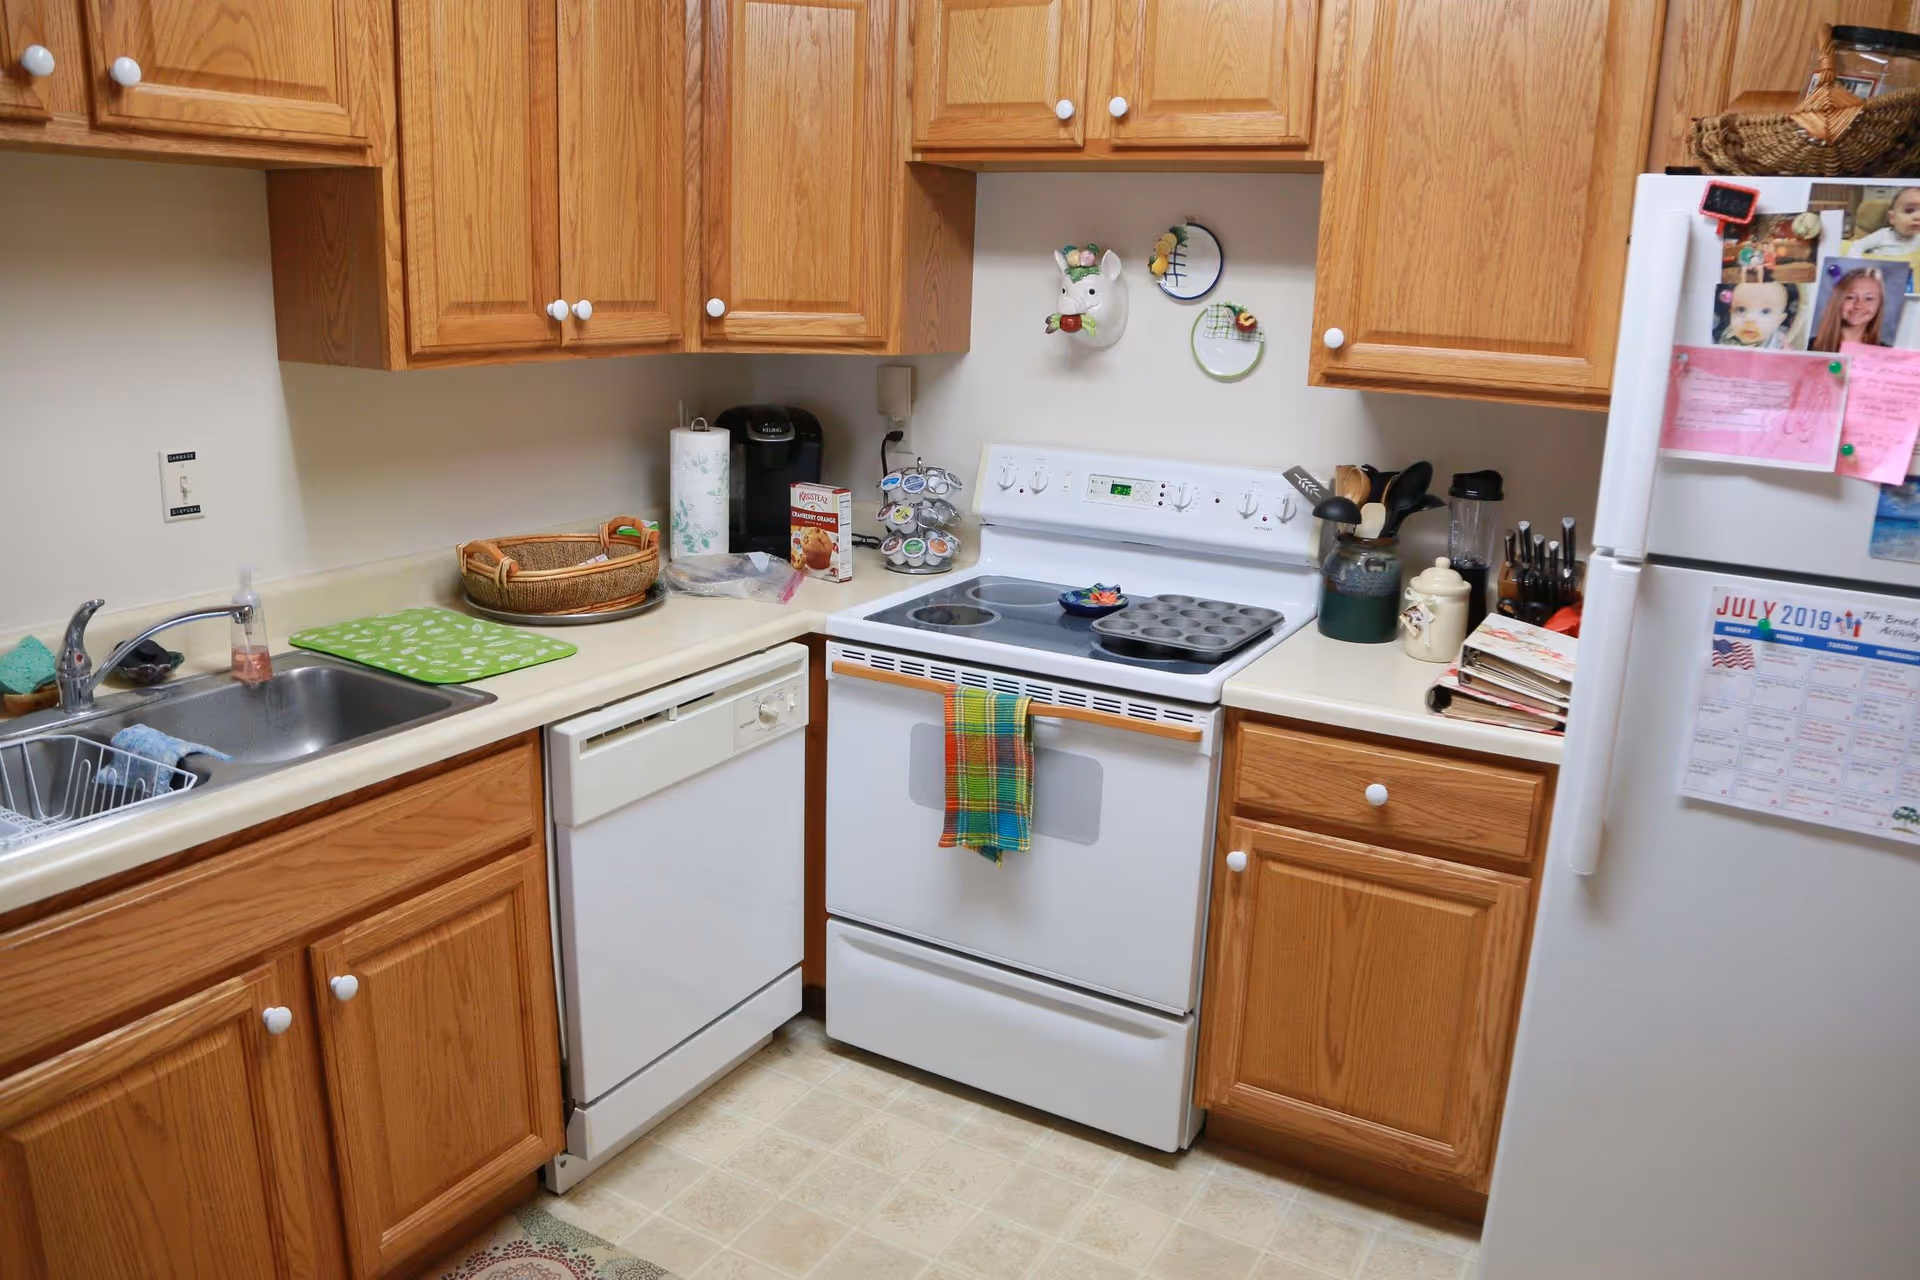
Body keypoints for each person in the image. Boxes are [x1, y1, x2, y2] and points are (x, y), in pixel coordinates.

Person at [1811, 268, 1889, 351]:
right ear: (1838, 301)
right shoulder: (1806, 348)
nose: (1858, 306)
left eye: (1869, 299)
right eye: (1850, 297)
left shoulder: (1888, 354)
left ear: (1879, 305)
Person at [1716, 280, 1801, 349]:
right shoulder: (1728, 333)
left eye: (1765, 311)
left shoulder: (1780, 343)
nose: (1750, 318)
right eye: (1741, 309)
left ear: (1778, 321)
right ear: (1731, 313)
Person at [1852, 187, 1920, 259]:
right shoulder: (1883, 235)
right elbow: (1857, 246)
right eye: (1909, 210)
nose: (1918, 217)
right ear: (1892, 218)